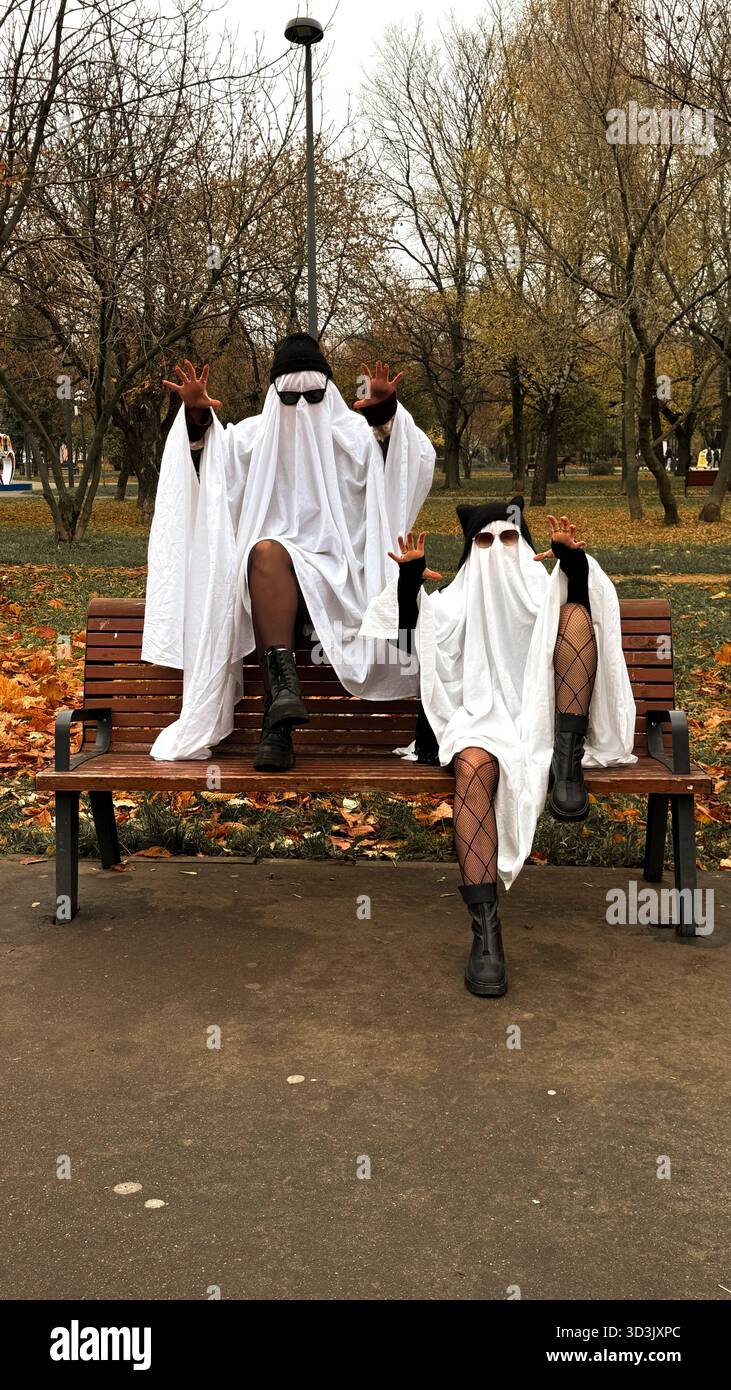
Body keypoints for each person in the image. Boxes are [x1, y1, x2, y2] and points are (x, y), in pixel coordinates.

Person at [360, 498, 636, 998]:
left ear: (525, 544)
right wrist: (410, 582)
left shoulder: (543, 593)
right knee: (470, 767)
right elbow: (408, 641)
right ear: (471, 549)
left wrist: (571, 561)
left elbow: (592, 610)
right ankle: (486, 932)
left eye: (508, 538)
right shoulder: (453, 601)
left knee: (573, 616)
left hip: (546, 724)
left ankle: (567, 770)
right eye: (483, 541)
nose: (496, 549)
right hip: (479, 722)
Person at [141, 334, 435, 768]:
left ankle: (275, 727)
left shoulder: (353, 435)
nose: (301, 407)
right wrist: (197, 417)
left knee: (268, 556)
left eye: (313, 396)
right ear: (273, 395)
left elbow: (410, 460)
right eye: (291, 396)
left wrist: (386, 412)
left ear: (330, 394)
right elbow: (210, 473)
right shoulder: (253, 437)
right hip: (270, 578)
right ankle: (279, 709)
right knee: (266, 552)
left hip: (343, 575)